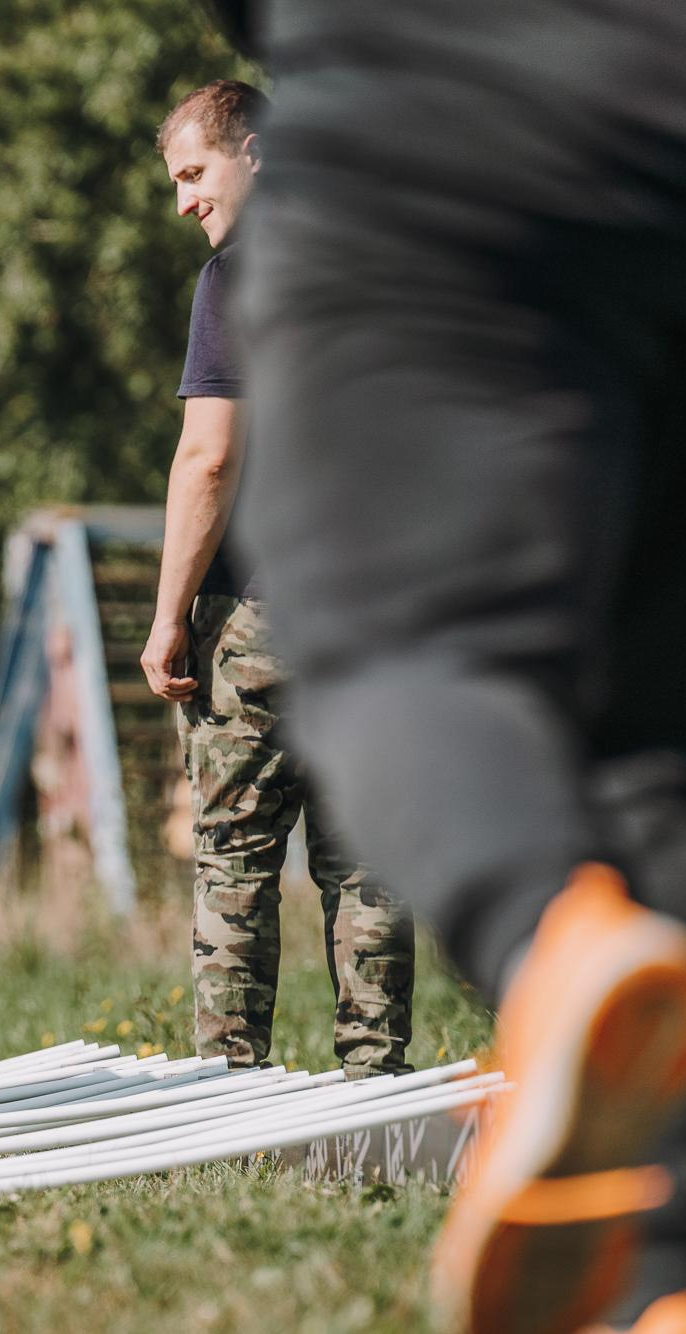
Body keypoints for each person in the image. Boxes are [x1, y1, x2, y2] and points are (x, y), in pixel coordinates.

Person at [215, 2, 686, 1329]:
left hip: (441, 113)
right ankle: (667, 1280)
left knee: (405, 637)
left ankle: (551, 938)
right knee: (681, 762)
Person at [140, 79, 414, 1080]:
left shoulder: (237, 277)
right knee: (368, 860)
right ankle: (374, 1092)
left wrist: (168, 616)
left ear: (249, 150)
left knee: (236, 860)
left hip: (262, 612)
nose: (182, 201)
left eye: (191, 173)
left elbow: (208, 457)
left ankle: (227, 1093)